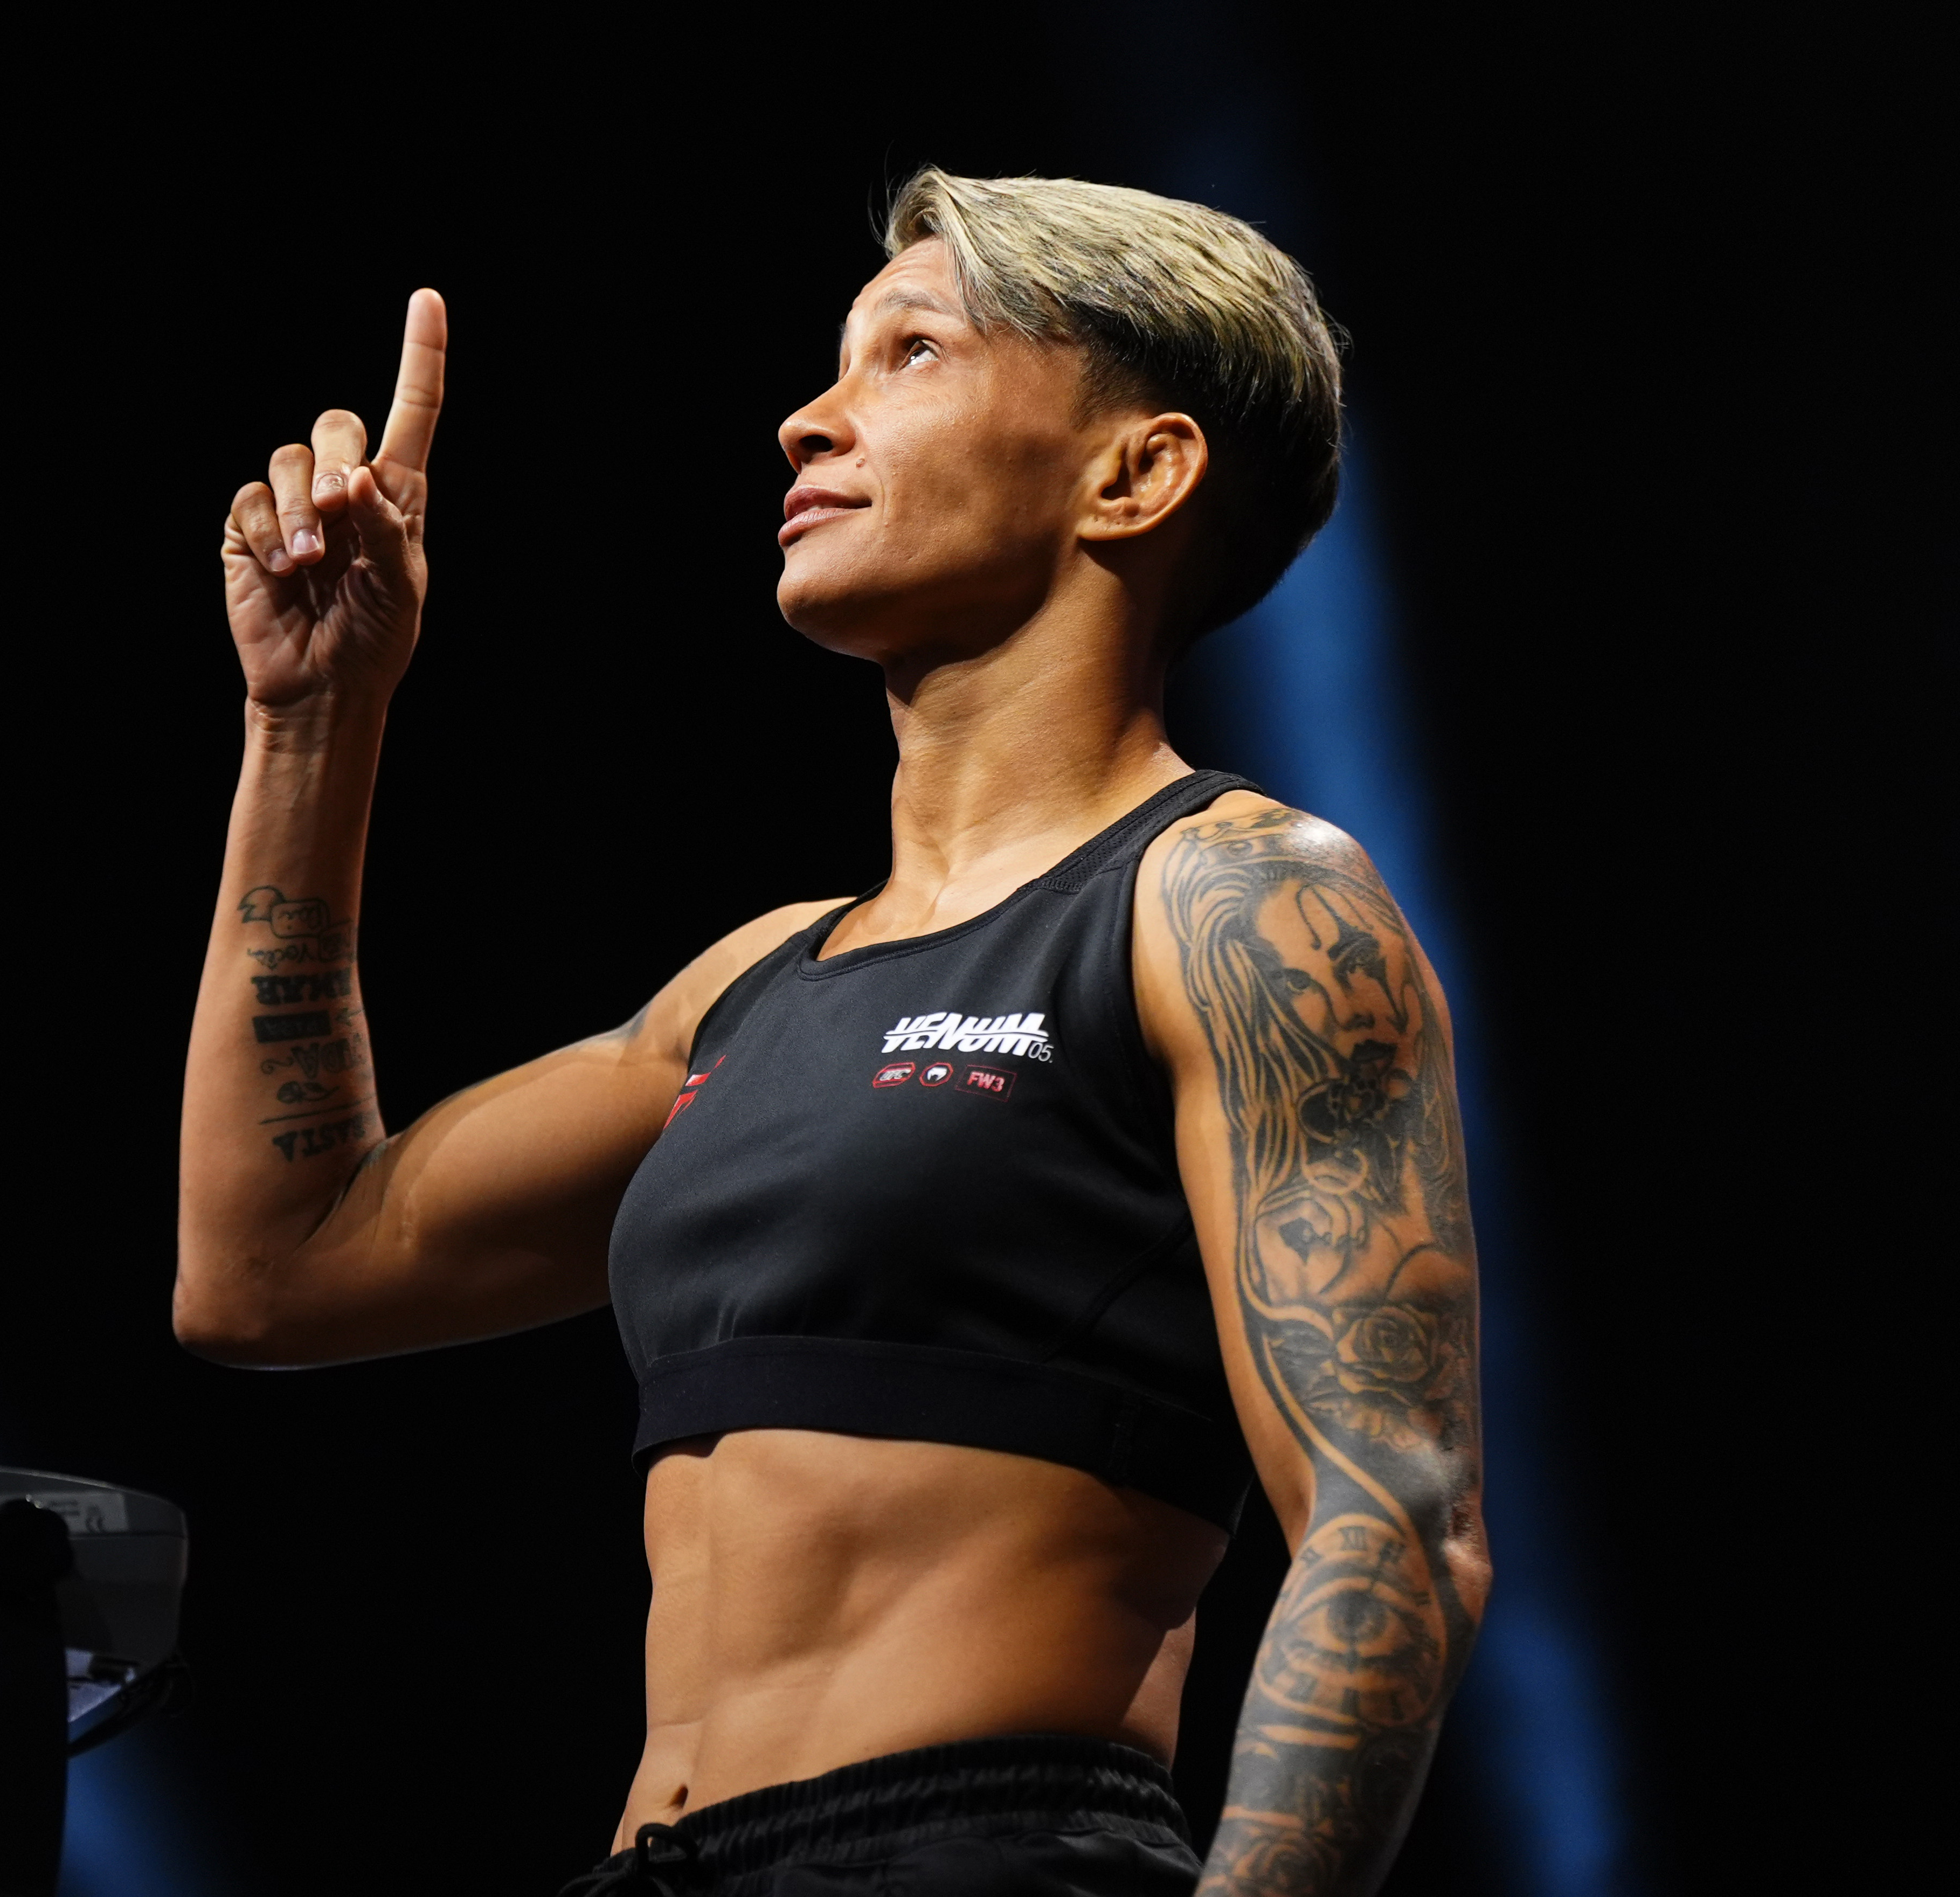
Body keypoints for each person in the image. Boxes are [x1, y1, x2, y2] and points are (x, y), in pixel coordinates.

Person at [176, 168, 1488, 1897]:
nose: (807, 420)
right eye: (835, 364)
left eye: (911, 354)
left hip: (990, 1851)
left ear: (1137, 473)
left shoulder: (1238, 901)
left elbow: (1392, 1525)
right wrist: (317, 725)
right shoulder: (755, 983)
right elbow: (274, 1270)